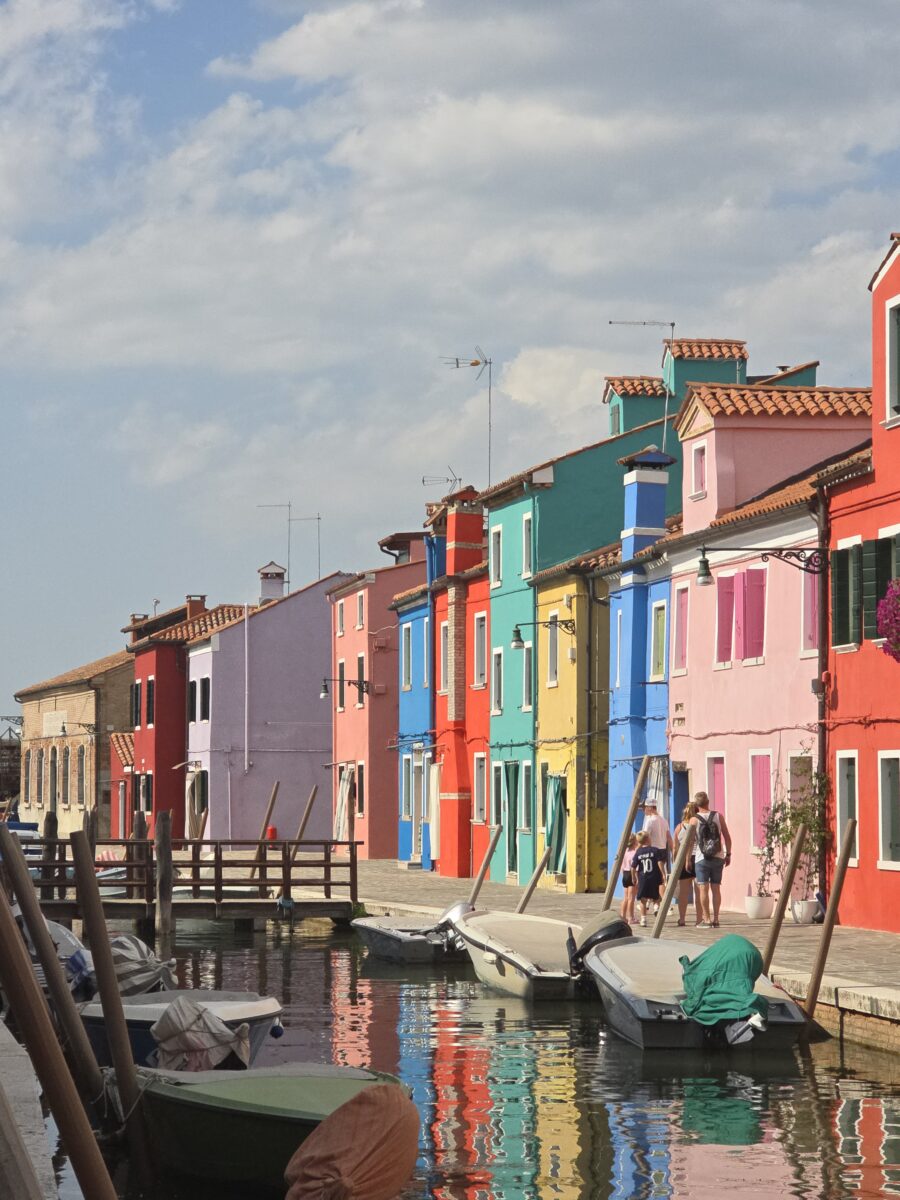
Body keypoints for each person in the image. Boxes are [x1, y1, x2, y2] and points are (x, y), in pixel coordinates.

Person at [691, 791, 732, 929]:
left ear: (696, 805)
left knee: (703, 888)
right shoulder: (718, 816)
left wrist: (686, 859)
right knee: (716, 888)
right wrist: (728, 854)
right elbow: (727, 837)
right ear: (708, 802)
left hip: (701, 857)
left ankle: (706, 919)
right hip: (718, 856)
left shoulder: (694, 820)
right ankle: (716, 918)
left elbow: (690, 843)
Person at [632, 831, 666, 927]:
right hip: (654, 876)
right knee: (657, 895)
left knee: (643, 899)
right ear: (647, 839)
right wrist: (663, 873)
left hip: (643, 878)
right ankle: (656, 907)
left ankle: (643, 919)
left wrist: (634, 877)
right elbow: (660, 862)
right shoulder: (655, 850)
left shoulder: (638, 852)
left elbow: (633, 867)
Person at [674, 801, 698, 927]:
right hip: (698, 858)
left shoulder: (679, 827)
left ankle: (682, 919)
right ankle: (699, 919)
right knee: (699, 890)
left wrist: (675, 862)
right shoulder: (698, 824)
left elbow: (674, 847)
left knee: (683, 892)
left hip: (683, 860)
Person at [620, 833, 638, 924]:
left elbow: (622, 866)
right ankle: (631, 917)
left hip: (625, 874)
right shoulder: (635, 852)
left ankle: (623, 916)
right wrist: (636, 877)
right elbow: (635, 867)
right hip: (632, 874)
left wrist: (623, 874)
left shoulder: (624, 852)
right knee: (631, 898)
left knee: (626, 897)